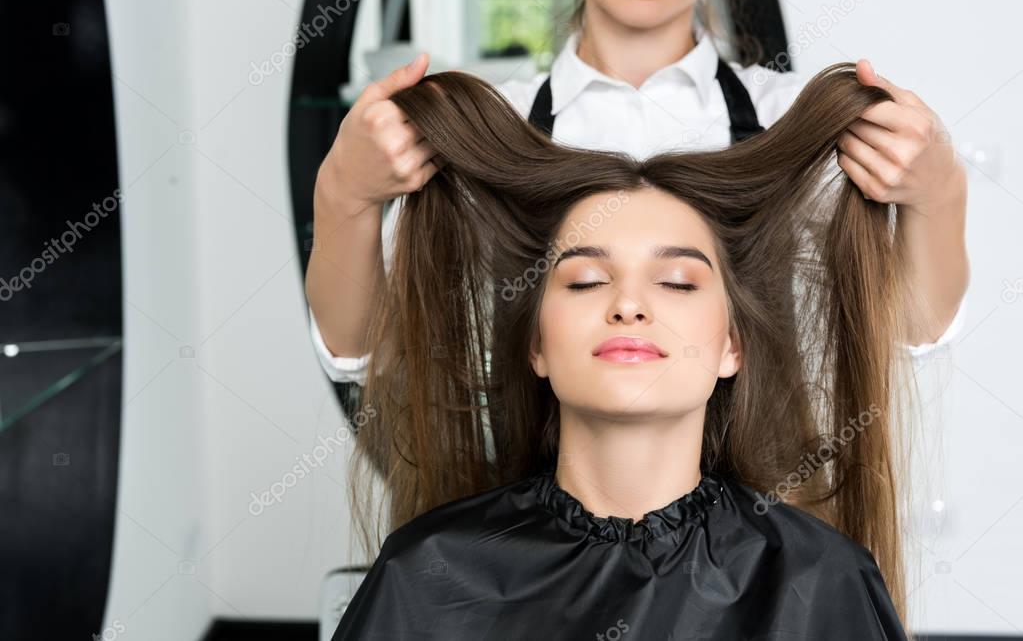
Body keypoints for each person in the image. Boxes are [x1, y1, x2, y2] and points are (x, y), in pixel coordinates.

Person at [330, 62, 911, 639]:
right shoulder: (428, 574)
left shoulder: (819, 581)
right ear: (536, 345)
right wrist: (341, 195)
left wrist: (940, 194)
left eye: (678, 282)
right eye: (585, 281)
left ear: (733, 345)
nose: (629, 304)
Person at [305, 0, 969, 427]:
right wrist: (344, 195)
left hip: (755, 526)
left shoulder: (790, 122)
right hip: (544, 530)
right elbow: (359, 352)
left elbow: (911, 333)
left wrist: (938, 195)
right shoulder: (491, 131)